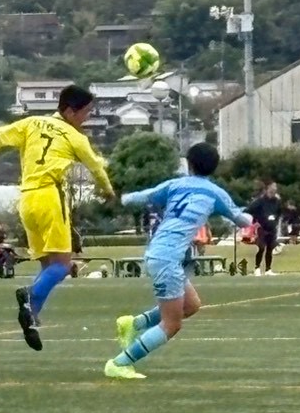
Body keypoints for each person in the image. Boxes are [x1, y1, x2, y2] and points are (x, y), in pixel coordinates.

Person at [0, 84, 116, 350]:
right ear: (70, 111)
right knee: (63, 265)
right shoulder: (75, 137)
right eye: (86, 112)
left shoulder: (31, 123)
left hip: (27, 200)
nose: (87, 117)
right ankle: (29, 296)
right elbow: (96, 169)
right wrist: (109, 192)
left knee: (47, 265)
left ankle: (31, 316)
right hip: (50, 198)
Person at [104, 142, 252, 380]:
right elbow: (242, 221)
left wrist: (122, 198)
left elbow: (144, 196)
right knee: (171, 324)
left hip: (160, 252)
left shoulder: (175, 185)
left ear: (188, 164)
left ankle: (133, 324)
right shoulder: (215, 193)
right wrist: (252, 214)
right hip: (167, 258)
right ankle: (119, 363)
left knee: (191, 305)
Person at [247, 179, 282, 276]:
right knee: (261, 247)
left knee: (270, 249)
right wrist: (255, 221)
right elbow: (249, 210)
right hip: (262, 227)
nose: (275, 188)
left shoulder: (277, 201)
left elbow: (279, 212)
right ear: (268, 188)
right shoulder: (260, 201)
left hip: (272, 228)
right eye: (273, 186)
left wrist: (275, 221)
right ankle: (257, 268)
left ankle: (268, 269)